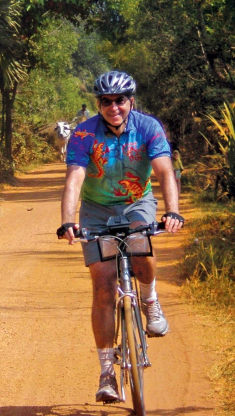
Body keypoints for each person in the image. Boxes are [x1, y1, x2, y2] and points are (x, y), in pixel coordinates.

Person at [58, 71, 184, 403]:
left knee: (142, 256)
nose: (113, 107)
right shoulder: (84, 133)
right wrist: (68, 221)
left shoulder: (147, 127)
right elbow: (75, 177)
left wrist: (172, 210)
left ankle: (150, 301)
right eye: (106, 101)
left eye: (120, 101)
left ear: (131, 101)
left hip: (136, 204)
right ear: (98, 104)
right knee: (102, 286)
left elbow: (164, 170)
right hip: (96, 209)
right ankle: (106, 373)